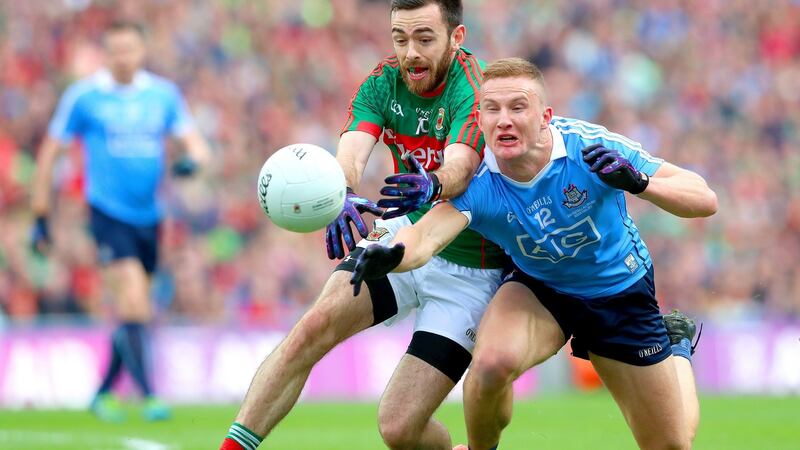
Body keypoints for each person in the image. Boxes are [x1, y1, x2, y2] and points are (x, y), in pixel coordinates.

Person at [351, 57, 717, 450]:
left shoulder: (586, 147)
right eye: (492, 109)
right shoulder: (478, 179)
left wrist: (640, 182)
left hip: (619, 293)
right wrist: (390, 256)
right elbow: (424, 238)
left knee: (672, 444)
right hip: (541, 290)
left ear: (545, 116)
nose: (503, 120)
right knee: (490, 366)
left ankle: (676, 347)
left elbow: (704, 199)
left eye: (517, 107)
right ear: (480, 119)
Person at [220, 1, 508, 449]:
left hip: (472, 272)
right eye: (399, 38)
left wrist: (432, 183)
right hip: (404, 233)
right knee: (313, 327)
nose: (409, 52)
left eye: (424, 38)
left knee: (398, 429)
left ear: (457, 37)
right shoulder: (382, 81)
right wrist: (341, 193)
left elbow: (461, 166)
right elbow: (352, 153)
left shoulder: (476, 88)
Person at [30, 20, 211, 422]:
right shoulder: (85, 98)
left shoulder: (162, 95)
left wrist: (190, 163)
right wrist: (41, 215)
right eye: (115, 50)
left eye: (129, 49)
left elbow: (197, 146)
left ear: (141, 51)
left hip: (150, 217)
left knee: (137, 309)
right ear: (105, 53)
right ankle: (148, 396)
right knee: (132, 302)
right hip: (107, 213)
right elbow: (50, 153)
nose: (122, 58)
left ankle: (101, 393)